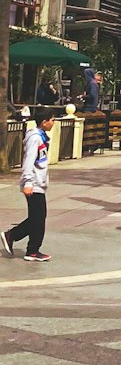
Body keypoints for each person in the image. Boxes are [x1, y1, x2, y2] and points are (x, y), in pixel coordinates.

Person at [1, 109, 56, 261]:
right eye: (52, 120)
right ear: (44, 122)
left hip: (39, 183)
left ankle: (31, 249)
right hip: (34, 183)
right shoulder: (35, 139)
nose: (53, 123)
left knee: (37, 217)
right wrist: (28, 182)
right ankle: (14, 236)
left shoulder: (42, 138)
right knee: (38, 218)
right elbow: (28, 162)